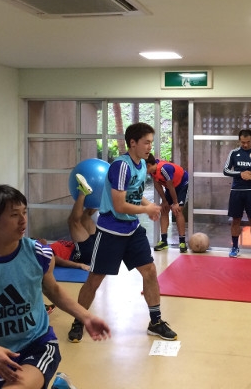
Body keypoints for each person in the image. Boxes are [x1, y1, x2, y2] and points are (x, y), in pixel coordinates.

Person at [0, 184, 110, 389]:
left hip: (38, 344)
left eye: (24, 212)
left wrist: (86, 317)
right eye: (14, 215)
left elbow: (54, 290)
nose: (23, 220)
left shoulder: (38, 254)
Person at [67, 123, 177, 343]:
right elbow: (119, 205)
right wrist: (147, 210)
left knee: (150, 271)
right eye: (146, 142)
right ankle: (79, 321)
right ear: (133, 143)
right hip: (111, 231)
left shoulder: (142, 164)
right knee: (95, 279)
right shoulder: (121, 166)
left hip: (132, 230)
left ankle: (155, 322)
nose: (150, 147)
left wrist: (148, 205)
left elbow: (134, 194)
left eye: (151, 142)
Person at [223, 129, 251, 258]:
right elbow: (225, 170)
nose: (245, 145)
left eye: (248, 142)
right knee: (235, 219)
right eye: (243, 142)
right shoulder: (233, 153)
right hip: (236, 191)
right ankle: (235, 247)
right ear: (239, 141)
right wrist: (240, 174)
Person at [38, 180, 97, 273]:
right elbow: (59, 261)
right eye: (36, 241)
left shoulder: (49, 246)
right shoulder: (45, 253)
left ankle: (99, 195)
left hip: (91, 249)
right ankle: (83, 192)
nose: (39, 239)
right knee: (73, 222)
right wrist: (79, 265)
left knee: (86, 216)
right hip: (81, 254)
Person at [146, 155, 189, 253]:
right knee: (164, 210)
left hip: (181, 183)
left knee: (178, 210)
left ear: (148, 165)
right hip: (171, 187)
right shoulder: (152, 171)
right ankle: (164, 241)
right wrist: (165, 201)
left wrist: (175, 203)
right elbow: (157, 185)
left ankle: (182, 242)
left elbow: (171, 186)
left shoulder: (164, 169)